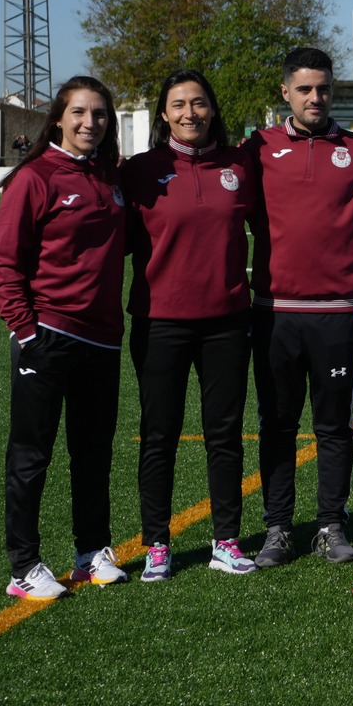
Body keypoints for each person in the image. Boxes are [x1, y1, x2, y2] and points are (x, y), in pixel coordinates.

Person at [242, 47, 353, 570]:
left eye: (323, 89)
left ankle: (330, 524)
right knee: (277, 423)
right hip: (274, 310)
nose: (315, 98)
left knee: (332, 425)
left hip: (337, 310)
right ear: (286, 92)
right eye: (304, 89)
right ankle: (277, 529)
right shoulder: (258, 147)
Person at [0, 77, 128, 599]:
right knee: (31, 454)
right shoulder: (35, 177)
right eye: (80, 113)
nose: (90, 122)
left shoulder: (111, 178)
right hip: (47, 335)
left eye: (100, 114)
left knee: (93, 452)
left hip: (103, 341)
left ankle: (91, 553)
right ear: (58, 119)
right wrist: (26, 330)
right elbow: (3, 262)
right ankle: (24, 566)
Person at [120, 70, 259, 580]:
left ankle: (227, 539)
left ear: (212, 109)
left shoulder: (240, 165)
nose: (189, 113)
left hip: (226, 321)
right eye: (178, 105)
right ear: (163, 114)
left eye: (198, 103)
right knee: (160, 435)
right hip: (159, 324)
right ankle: (157, 542)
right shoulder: (138, 170)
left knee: (224, 435)